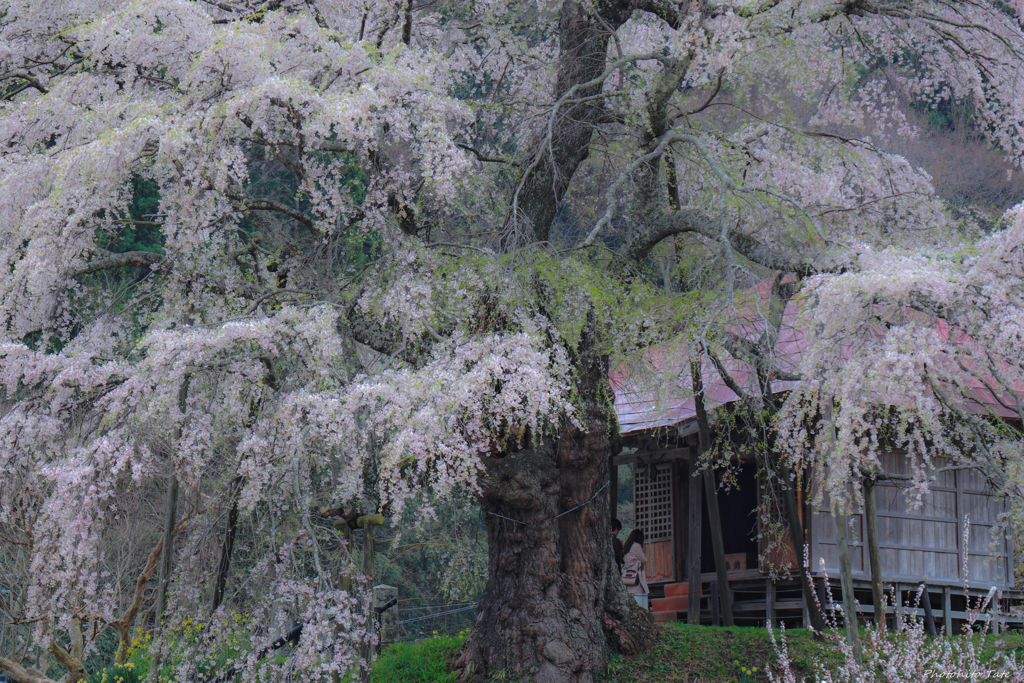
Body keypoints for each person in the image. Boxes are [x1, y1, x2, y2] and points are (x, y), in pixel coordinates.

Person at [622, 529, 649, 608]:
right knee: (640, 597)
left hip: (628, 574)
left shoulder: (627, 546)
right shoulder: (636, 546)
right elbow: (644, 560)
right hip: (636, 574)